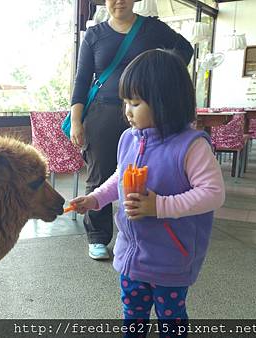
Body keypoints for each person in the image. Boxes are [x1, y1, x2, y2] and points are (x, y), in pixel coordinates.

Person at [71, 49, 225, 337]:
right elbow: (120, 176)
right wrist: (96, 198)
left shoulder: (190, 146)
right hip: (132, 254)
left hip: (171, 257)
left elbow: (213, 193)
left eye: (136, 102)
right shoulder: (128, 138)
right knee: (133, 314)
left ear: (166, 102)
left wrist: (160, 206)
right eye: (125, 102)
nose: (127, 111)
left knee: (171, 319)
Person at [70, 0, 194, 260]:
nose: (119, 1)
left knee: (153, 170)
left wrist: (161, 78)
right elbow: (82, 80)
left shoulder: (153, 28)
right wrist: (77, 120)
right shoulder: (94, 35)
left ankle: (152, 227)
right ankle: (98, 237)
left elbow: (184, 50)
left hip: (149, 113)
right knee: (101, 174)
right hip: (103, 113)